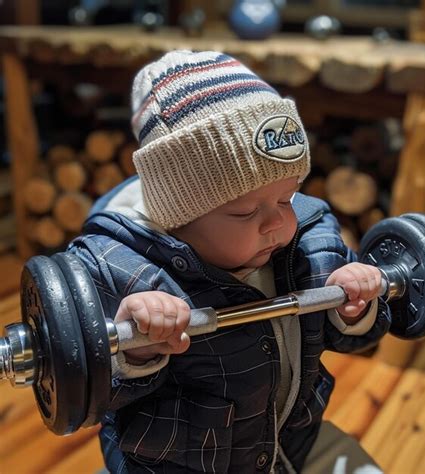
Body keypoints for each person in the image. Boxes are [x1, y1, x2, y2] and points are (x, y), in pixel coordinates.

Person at [68, 50, 391, 473]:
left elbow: (352, 338)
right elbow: (94, 393)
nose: (277, 221)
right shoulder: (118, 269)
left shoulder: (311, 240)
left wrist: (357, 305)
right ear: (176, 214)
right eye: (245, 212)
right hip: (177, 466)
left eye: (286, 198)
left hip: (290, 439)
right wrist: (138, 347)